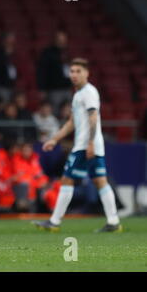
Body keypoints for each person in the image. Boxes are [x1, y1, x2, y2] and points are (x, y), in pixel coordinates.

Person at [33, 58, 122, 232]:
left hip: (85, 146)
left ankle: (54, 222)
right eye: (72, 71)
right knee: (100, 181)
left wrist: (89, 143)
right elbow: (71, 123)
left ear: (87, 73)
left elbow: (93, 117)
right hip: (92, 145)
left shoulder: (89, 92)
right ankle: (114, 222)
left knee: (67, 179)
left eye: (78, 71)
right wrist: (54, 139)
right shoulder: (78, 95)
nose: (74, 74)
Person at [36, 30, 72, 112]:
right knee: (55, 111)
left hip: (66, 88)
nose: (62, 42)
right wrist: (42, 88)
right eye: (60, 40)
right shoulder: (47, 53)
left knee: (68, 112)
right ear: (55, 40)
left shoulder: (67, 52)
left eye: (63, 40)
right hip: (54, 89)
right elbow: (41, 72)